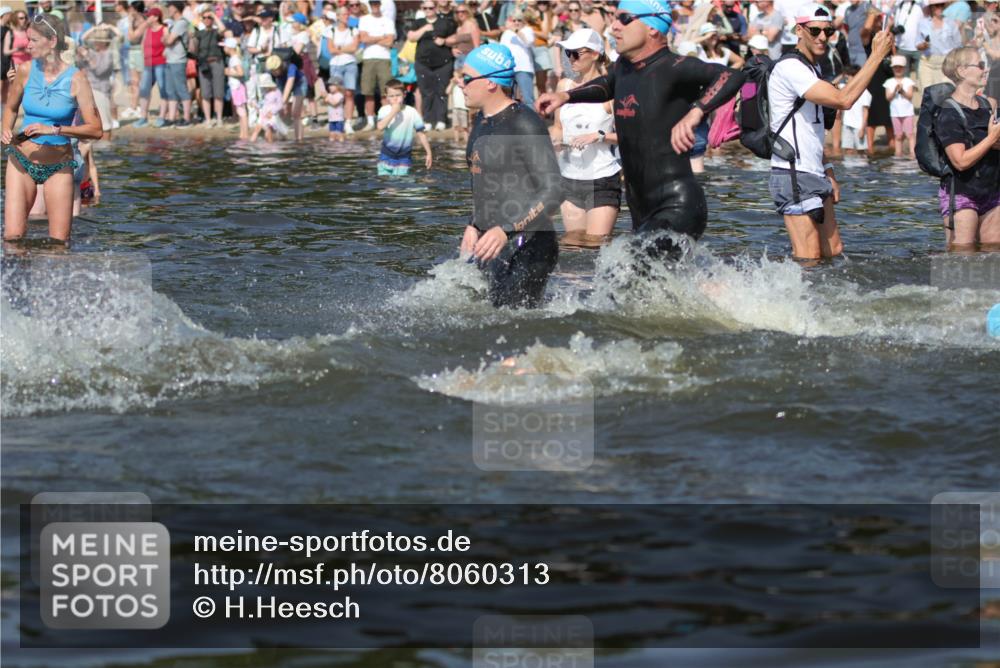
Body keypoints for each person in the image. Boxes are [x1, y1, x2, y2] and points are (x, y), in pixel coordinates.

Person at [536, 0, 744, 256]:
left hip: (676, 204)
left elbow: (731, 76)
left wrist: (695, 113)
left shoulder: (673, 67)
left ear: (652, 28)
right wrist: (567, 97)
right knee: (654, 287)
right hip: (641, 208)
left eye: (624, 19)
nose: (613, 27)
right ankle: (718, 291)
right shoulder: (624, 67)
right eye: (614, 19)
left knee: (624, 266)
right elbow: (607, 84)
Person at [765, 3, 893, 261]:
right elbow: (844, 99)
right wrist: (876, 55)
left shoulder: (814, 69)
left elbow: (811, 131)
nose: (823, 37)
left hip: (814, 171)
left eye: (828, 31)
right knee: (809, 257)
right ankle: (789, 299)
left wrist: (829, 171)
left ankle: (816, 299)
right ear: (799, 31)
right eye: (815, 31)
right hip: (793, 172)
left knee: (833, 250)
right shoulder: (790, 67)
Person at [459, 44, 563, 308]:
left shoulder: (524, 122)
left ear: (492, 83)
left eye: (467, 78)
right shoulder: (481, 121)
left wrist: (505, 229)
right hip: (493, 240)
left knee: (511, 323)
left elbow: (553, 190)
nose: (461, 84)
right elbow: (485, 183)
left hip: (529, 242)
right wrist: (474, 223)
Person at [1, 14, 102, 243]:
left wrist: (55, 130)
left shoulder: (77, 79)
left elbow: (96, 130)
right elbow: (10, 108)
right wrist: (5, 128)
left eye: (34, 40)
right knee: (13, 238)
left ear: (52, 41)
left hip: (59, 165)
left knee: (59, 244)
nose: (27, 45)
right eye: (28, 39)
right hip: (21, 161)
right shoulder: (25, 70)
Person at [550, 27, 620, 246]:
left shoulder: (612, 91)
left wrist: (599, 136)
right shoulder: (564, 87)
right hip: (569, 177)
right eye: (567, 53)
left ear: (596, 54)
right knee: (572, 244)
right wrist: (554, 142)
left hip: (602, 178)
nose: (570, 58)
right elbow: (558, 127)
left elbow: (631, 136)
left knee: (595, 244)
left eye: (575, 53)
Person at [935, 46, 1000, 250]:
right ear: (962, 71)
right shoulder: (948, 111)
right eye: (980, 65)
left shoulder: (987, 105)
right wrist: (991, 139)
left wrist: (995, 141)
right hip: (962, 194)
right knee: (962, 256)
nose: (985, 70)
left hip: (993, 191)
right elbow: (960, 161)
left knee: (993, 254)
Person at [407, 1, 457, 132]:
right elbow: (411, 37)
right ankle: (428, 120)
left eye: (431, 7)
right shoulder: (418, 22)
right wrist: (424, 28)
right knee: (426, 92)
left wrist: (445, 41)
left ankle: (441, 120)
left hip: (443, 62)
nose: (428, 10)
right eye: (425, 8)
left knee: (442, 92)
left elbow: (455, 36)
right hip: (423, 63)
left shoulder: (445, 21)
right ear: (422, 8)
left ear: (436, 8)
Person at [375, 78, 433, 175]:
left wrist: (429, 153)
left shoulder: (412, 112)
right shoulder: (384, 110)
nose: (395, 98)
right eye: (391, 96)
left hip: (404, 157)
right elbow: (380, 127)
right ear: (386, 97)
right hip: (386, 155)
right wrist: (393, 111)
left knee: (401, 184)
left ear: (404, 95)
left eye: (398, 95)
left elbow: (421, 134)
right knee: (386, 185)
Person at [358, 0, 395, 131]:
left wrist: (372, 38)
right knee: (368, 91)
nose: (375, 6)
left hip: (384, 58)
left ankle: (386, 120)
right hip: (368, 58)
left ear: (380, 5)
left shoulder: (388, 20)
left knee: (386, 92)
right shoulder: (364, 19)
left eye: (376, 4)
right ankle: (370, 121)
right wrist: (381, 37)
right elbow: (363, 39)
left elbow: (390, 41)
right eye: (372, 4)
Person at [77, 27, 117, 141]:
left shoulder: (108, 54)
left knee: (105, 124)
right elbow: (82, 39)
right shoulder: (93, 52)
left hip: (101, 91)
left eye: (96, 39)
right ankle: (97, 149)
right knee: (90, 122)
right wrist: (94, 28)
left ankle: (105, 149)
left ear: (102, 42)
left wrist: (87, 56)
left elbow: (99, 70)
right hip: (89, 90)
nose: (93, 42)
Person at [917, 0, 964, 93]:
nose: (939, 8)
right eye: (936, 5)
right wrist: (924, 45)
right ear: (931, 7)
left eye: (941, 5)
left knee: (947, 96)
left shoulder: (951, 23)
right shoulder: (923, 23)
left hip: (946, 64)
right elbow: (918, 45)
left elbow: (958, 45)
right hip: (927, 64)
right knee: (928, 97)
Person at [191, 7, 226, 127]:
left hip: (217, 62)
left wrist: (214, 16)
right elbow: (193, 48)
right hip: (203, 63)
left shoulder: (216, 32)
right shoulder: (199, 33)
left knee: (218, 92)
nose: (207, 20)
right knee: (205, 93)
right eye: (204, 18)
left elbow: (223, 29)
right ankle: (208, 119)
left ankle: (219, 118)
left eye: (209, 18)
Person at [327, 6, 359, 135]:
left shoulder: (353, 30)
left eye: (347, 14)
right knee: (336, 93)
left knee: (349, 93)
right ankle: (337, 120)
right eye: (344, 14)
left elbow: (354, 48)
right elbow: (331, 50)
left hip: (350, 63)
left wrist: (340, 48)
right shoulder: (331, 30)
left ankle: (348, 121)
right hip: (335, 64)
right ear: (338, 16)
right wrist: (345, 48)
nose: (346, 16)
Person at [134, 6, 167, 127]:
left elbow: (167, 45)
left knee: (163, 89)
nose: (148, 18)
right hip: (148, 64)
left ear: (156, 17)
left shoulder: (164, 29)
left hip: (161, 63)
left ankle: (162, 116)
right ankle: (143, 117)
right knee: (144, 90)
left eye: (150, 16)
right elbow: (142, 43)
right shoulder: (147, 30)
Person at [162, 1, 193, 127]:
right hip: (170, 60)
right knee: (170, 90)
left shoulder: (181, 23)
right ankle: (171, 117)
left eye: (169, 7)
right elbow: (166, 41)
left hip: (178, 60)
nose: (168, 9)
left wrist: (165, 37)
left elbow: (168, 40)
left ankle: (186, 117)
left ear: (175, 8)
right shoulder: (174, 24)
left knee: (181, 89)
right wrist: (166, 39)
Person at [266, 51, 307, 141]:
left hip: (299, 83)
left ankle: (299, 139)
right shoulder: (272, 73)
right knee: (280, 111)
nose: (273, 73)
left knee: (296, 112)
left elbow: (289, 84)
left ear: (280, 66)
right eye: (271, 71)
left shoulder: (291, 67)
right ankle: (282, 137)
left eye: (274, 70)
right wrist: (280, 106)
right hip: (282, 82)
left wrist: (283, 102)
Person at [501, 13, 536, 107]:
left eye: (519, 20)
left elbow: (529, 42)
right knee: (509, 98)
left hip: (523, 68)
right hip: (508, 69)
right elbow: (502, 49)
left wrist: (516, 31)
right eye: (514, 20)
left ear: (523, 21)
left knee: (528, 98)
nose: (516, 22)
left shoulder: (527, 30)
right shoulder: (506, 33)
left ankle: (532, 120)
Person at [884, 54, 916, 158]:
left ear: (904, 68)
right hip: (895, 113)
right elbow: (888, 97)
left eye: (900, 67)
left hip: (907, 112)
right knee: (898, 135)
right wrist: (894, 91)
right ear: (892, 68)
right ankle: (898, 153)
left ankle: (913, 153)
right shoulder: (889, 82)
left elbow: (910, 96)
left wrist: (902, 91)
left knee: (909, 134)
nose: (897, 69)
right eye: (895, 67)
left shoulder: (908, 81)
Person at [840, 64, 871, 154]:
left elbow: (865, 112)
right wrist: (841, 75)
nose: (846, 79)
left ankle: (862, 167)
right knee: (847, 149)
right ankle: (849, 167)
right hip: (846, 124)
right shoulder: (843, 88)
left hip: (858, 125)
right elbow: (832, 85)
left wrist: (862, 128)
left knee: (861, 150)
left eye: (848, 76)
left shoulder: (864, 92)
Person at [123, 1, 145, 120]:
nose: (129, 11)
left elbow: (132, 37)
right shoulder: (133, 21)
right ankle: (133, 106)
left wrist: (130, 24)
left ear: (136, 9)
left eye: (131, 9)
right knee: (134, 82)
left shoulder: (143, 21)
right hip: (132, 51)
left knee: (140, 82)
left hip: (139, 53)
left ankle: (140, 106)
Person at [223, 36, 249, 139]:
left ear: (229, 48)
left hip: (237, 87)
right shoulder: (234, 58)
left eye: (225, 46)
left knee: (241, 111)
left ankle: (245, 134)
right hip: (236, 87)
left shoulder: (234, 59)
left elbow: (240, 73)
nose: (223, 49)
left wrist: (228, 72)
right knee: (240, 110)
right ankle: (243, 133)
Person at [250, 72, 289, 141]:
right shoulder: (264, 92)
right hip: (263, 114)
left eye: (265, 86)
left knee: (269, 132)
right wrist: (255, 105)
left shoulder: (277, 92)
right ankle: (250, 145)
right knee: (256, 129)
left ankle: (271, 147)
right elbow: (262, 103)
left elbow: (280, 105)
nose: (264, 88)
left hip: (271, 115)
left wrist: (272, 112)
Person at [446, 67, 470, 142]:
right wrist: (451, 83)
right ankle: (456, 141)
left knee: (465, 127)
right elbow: (447, 92)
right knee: (455, 126)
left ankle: (466, 141)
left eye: (455, 76)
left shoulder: (465, 85)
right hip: (455, 108)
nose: (453, 78)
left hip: (464, 108)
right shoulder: (454, 86)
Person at [324, 74, 346, 141]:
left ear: (338, 86)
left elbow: (334, 103)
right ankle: (332, 147)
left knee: (339, 134)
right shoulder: (330, 95)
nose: (330, 87)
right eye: (329, 85)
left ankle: (341, 145)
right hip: (331, 119)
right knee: (331, 134)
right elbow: (325, 101)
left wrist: (328, 97)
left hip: (339, 119)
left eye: (332, 85)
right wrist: (327, 97)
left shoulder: (340, 95)